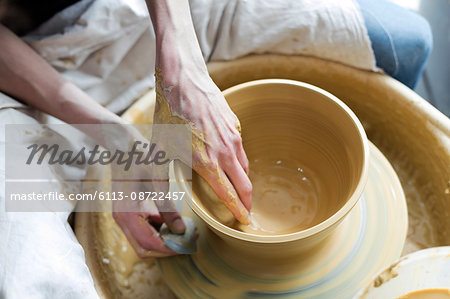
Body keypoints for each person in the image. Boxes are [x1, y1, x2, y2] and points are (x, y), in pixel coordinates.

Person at [0, 0, 432, 297]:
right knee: (32, 270)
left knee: (405, 42)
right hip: (29, 73)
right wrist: (116, 136)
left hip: (157, 16)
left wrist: (181, 67)